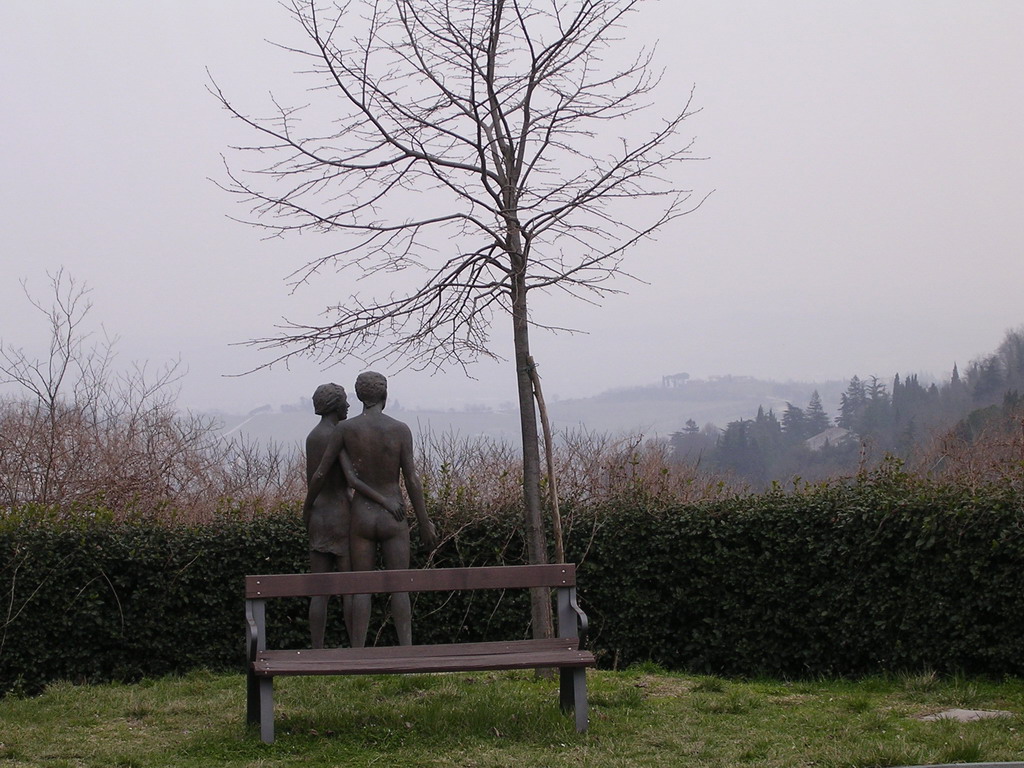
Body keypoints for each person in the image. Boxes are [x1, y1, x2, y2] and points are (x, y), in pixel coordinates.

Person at [305, 371, 437, 647]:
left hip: (362, 516)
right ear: (385, 395)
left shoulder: (345, 430)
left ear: (359, 396)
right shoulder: (400, 429)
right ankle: (406, 651)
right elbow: (411, 479)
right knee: (399, 587)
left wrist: (307, 509)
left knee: (361, 587)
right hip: (394, 514)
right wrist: (424, 522)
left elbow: (328, 473)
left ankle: (358, 653)